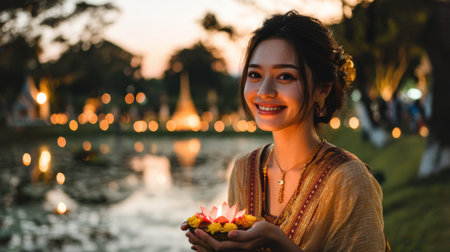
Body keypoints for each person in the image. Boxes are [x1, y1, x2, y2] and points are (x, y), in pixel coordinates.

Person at [182, 10, 388, 252]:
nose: (265, 90)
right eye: (255, 75)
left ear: (322, 88)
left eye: (285, 76)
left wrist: (278, 242)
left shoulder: (348, 180)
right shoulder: (244, 168)